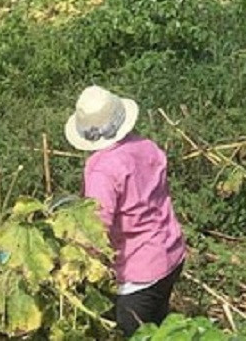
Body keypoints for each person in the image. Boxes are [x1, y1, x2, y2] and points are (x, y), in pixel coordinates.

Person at [65, 85, 186, 337]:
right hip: (171, 252)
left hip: (140, 270)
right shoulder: (146, 146)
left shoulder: (102, 170)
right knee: (158, 325)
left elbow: (96, 226)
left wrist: (73, 258)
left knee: (133, 332)